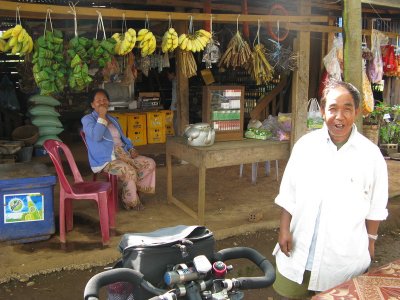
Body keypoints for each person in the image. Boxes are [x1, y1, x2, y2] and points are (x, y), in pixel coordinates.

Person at [272, 79, 388, 299]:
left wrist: (371, 241)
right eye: (333, 108)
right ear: (323, 111)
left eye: (347, 109)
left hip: (343, 257)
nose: (339, 116)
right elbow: (289, 193)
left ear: (356, 113)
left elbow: (376, 206)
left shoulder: (371, 156)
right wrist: (284, 228)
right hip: (298, 249)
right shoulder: (306, 146)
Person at [81, 88, 156, 211]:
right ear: (92, 104)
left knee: (149, 163)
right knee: (129, 170)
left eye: (105, 99)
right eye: (98, 100)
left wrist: (131, 148)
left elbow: (123, 138)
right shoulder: (87, 120)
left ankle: (128, 190)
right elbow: (96, 136)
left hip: (123, 154)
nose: (102, 102)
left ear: (108, 102)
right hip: (106, 159)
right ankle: (130, 201)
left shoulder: (114, 119)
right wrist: (101, 117)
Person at [166, 68, 178, 136]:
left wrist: (177, 102)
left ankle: (177, 134)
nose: (168, 76)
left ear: (172, 73)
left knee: (176, 119)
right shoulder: (174, 81)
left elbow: (179, 92)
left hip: (176, 103)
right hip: (174, 103)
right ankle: (175, 133)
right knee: (174, 118)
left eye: (168, 75)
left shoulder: (176, 81)